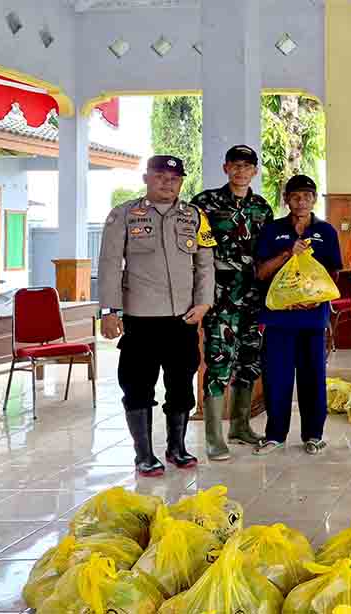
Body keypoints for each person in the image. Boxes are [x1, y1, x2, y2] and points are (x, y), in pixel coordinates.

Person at [98, 155, 216, 477]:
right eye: (159, 176)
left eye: (173, 178)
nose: (166, 182)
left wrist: (204, 303)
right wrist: (110, 311)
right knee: (138, 386)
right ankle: (143, 453)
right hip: (141, 319)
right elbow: (109, 265)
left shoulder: (194, 216)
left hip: (183, 319)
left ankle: (176, 447)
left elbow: (205, 264)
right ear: (146, 178)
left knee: (181, 384)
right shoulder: (123, 215)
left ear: (181, 181)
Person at [191, 144, 273, 461]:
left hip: (252, 297)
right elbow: (195, 252)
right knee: (218, 362)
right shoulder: (205, 203)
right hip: (220, 298)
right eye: (235, 165)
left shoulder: (262, 208)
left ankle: (240, 426)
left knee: (249, 362)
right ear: (226, 168)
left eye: (247, 166)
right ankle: (214, 436)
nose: (241, 171)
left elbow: (265, 255)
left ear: (255, 171)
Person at [253, 175, 341, 456]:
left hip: (313, 319)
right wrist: (287, 254)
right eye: (295, 196)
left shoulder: (326, 231)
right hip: (279, 318)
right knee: (276, 378)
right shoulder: (273, 230)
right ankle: (275, 435)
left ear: (314, 199)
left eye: (307, 196)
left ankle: (313, 435)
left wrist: (310, 300)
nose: (301, 201)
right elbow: (261, 273)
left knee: (312, 376)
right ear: (286, 200)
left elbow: (332, 277)